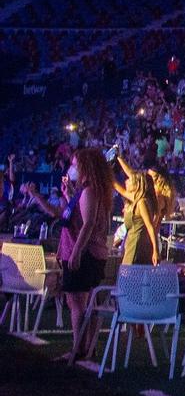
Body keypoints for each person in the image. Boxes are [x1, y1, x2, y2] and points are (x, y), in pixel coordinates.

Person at [22, 151, 113, 366]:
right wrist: (56, 196)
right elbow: (61, 214)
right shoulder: (85, 191)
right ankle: (86, 348)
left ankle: (79, 349)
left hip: (84, 254)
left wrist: (76, 252)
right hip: (84, 252)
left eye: (75, 164)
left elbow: (89, 223)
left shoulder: (89, 191)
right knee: (85, 301)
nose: (71, 168)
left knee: (77, 302)